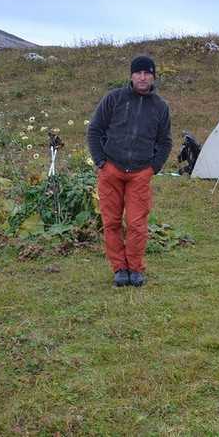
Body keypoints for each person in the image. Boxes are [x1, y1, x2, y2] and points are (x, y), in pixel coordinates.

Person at [87, 55, 172, 287]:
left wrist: (153, 168)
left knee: (136, 224)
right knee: (111, 222)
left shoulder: (160, 107)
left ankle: (135, 268)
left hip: (140, 174)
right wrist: (101, 162)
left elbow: (165, 142)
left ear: (153, 76)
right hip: (111, 170)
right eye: (138, 73)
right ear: (131, 76)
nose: (142, 77)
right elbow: (94, 130)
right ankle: (119, 269)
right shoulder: (114, 99)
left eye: (147, 73)